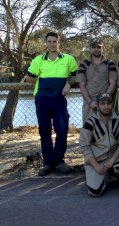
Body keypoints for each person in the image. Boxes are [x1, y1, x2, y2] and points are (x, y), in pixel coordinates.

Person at [26, 31, 78, 176]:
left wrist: (68, 84)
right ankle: (48, 163)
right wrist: (42, 81)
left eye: (54, 41)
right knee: (45, 132)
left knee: (62, 131)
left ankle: (59, 162)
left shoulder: (68, 59)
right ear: (46, 43)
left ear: (58, 42)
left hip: (59, 100)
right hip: (42, 100)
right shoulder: (38, 60)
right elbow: (29, 78)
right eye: (49, 41)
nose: (52, 44)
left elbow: (75, 75)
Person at [79, 93, 119, 197]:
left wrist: (111, 161)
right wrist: (96, 166)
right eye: (103, 103)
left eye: (108, 103)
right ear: (97, 105)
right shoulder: (90, 123)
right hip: (96, 160)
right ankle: (97, 177)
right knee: (95, 192)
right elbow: (84, 146)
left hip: (113, 157)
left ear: (112, 104)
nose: (106, 106)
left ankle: (113, 177)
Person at [76, 38, 117, 124]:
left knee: (107, 129)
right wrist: (90, 102)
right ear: (90, 49)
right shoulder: (84, 64)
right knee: (88, 129)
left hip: (106, 103)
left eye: (99, 47)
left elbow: (113, 84)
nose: (96, 49)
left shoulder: (110, 63)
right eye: (94, 47)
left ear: (103, 49)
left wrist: (103, 101)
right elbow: (82, 85)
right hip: (89, 103)